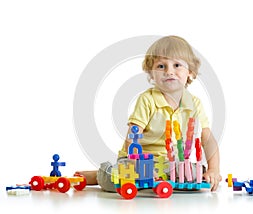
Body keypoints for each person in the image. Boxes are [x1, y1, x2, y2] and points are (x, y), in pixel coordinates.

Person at [75, 35, 222, 191]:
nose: (169, 71)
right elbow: (132, 135)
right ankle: (99, 175)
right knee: (115, 181)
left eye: (177, 65)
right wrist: (136, 162)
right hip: (139, 160)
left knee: (197, 175)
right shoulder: (147, 100)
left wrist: (214, 169)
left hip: (171, 164)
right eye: (161, 66)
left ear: (190, 72)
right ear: (152, 74)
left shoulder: (195, 103)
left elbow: (208, 139)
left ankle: (162, 179)